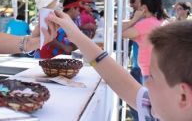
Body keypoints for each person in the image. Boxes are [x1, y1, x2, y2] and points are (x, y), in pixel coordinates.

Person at [48, 11, 192, 121]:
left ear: (183, 96)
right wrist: (76, 35)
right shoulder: (169, 105)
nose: (146, 82)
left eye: (152, 77)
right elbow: (123, 83)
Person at [122, 0, 169, 82]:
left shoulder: (146, 23)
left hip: (150, 71)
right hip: (161, 68)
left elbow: (122, 33)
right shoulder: (162, 21)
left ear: (144, 7)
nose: (136, 7)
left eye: (138, 4)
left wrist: (134, 19)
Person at [122, 0, 146, 121]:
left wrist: (134, 19)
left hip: (142, 70)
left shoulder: (145, 21)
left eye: (133, 1)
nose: (131, 5)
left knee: (140, 108)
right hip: (140, 67)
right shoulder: (144, 19)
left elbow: (120, 33)